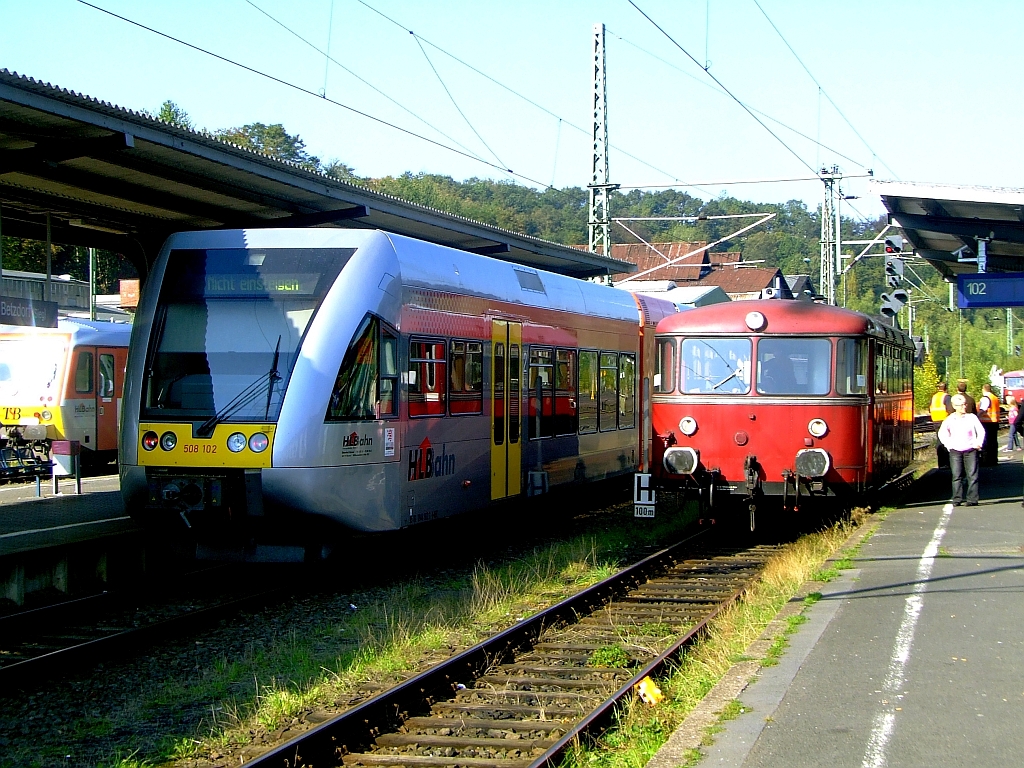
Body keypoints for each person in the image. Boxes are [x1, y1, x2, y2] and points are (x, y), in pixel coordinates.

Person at [939, 393, 985, 510]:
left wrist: (978, 443)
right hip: (955, 450)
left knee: (972, 475)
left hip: (971, 450)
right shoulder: (949, 420)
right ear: (954, 406)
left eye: (965, 404)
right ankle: (957, 499)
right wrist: (948, 445)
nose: (964, 407)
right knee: (956, 475)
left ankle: (972, 499)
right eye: (961, 405)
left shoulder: (972, 418)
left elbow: (981, 431)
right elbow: (942, 433)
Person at [930, 381, 953, 467]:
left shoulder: (934, 397)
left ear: (938, 388)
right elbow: (950, 410)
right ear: (946, 388)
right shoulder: (946, 397)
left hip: (935, 420)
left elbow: (930, 409)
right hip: (944, 420)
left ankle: (941, 463)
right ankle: (946, 462)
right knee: (945, 441)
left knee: (939, 440)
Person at [977, 383, 1001, 466]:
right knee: (993, 442)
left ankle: (986, 460)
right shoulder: (994, 397)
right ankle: (993, 460)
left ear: (983, 390)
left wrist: (976, 418)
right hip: (994, 422)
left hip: (987, 422)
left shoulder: (985, 398)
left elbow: (982, 410)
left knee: (986, 442)